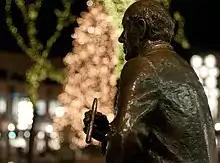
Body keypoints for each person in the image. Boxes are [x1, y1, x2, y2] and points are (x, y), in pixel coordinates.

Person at [84, 0, 218, 162]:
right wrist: (108, 134)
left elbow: (124, 138)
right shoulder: (184, 70)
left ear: (141, 28)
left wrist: (116, 136)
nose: (121, 39)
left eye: (125, 29)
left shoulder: (143, 65)